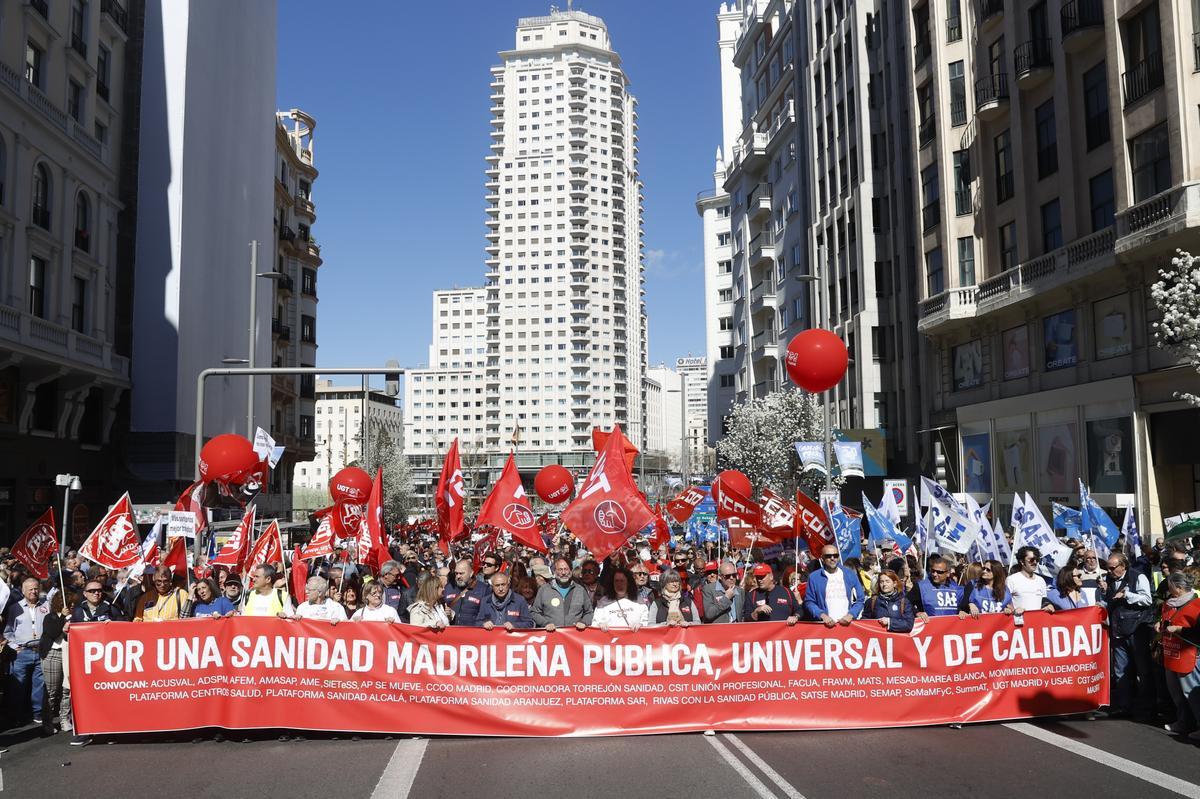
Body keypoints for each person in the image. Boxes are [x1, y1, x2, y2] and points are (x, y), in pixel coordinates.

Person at [1102, 552, 1156, 719]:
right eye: (1108, 568)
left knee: (1143, 670)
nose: (1110, 571)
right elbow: (1110, 601)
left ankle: (1147, 708)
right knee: (1120, 671)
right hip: (1118, 630)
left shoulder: (1138, 576)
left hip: (1136, 629)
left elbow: (1147, 600)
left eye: (1113, 568)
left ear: (1123, 566)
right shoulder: (1108, 579)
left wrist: (1127, 595)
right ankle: (1124, 706)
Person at [1159, 571, 1200, 738]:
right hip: (1170, 653)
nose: (1167, 589)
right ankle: (1183, 722)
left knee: (1191, 693)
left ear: (1179, 587)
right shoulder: (1169, 603)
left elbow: (1197, 633)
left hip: (1188, 655)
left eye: (1170, 586)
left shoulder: (1197, 605)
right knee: (1176, 692)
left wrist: (1178, 629)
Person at [3, 577, 47, 724]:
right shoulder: (15, 608)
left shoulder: (46, 605)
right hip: (22, 652)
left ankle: (37, 713)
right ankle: (18, 716)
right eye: (30, 589)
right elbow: (8, 631)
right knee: (18, 686)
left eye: (36, 588)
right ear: (23, 591)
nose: (34, 591)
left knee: (39, 684)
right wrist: (15, 647)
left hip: (41, 651)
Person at [803, 547, 864, 627]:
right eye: (828, 556)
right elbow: (809, 602)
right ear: (822, 558)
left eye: (835, 555)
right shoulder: (814, 577)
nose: (832, 558)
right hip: (825, 626)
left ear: (838, 557)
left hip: (848, 625)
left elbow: (860, 599)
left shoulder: (850, 574)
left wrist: (851, 615)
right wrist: (822, 615)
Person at [38, 588, 72, 733]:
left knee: (67, 689)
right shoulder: (50, 617)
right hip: (53, 654)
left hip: (70, 653)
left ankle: (64, 719)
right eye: (70, 603)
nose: (72, 606)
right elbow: (52, 632)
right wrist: (62, 618)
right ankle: (48, 721)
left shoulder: (75, 616)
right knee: (52, 690)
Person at [531, 557, 593, 631]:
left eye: (566, 569)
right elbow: (534, 612)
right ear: (554, 571)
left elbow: (589, 612)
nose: (563, 573)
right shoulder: (544, 590)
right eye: (560, 569)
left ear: (571, 570)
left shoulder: (580, 590)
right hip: (551, 635)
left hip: (574, 636)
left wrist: (584, 622)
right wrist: (545, 623)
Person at [591, 567, 649, 631]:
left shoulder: (638, 601)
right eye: (616, 581)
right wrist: (600, 624)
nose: (619, 584)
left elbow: (646, 621)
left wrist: (641, 625)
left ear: (628, 583)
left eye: (622, 581)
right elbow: (595, 623)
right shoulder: (603, 602)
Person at [1006, 546, 1054, 615]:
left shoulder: (1041, 580)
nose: (1035, 562)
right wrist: (1013, 610)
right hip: (1019, 622)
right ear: (1022, 561)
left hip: (1036, 623)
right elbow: (1005, 603)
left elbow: (1043, 599)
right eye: (1031, 560)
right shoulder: (1012, 579)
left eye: (1037, 560)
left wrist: (1048, 605)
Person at [444, 558, 487, 627]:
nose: (458, 576)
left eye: (461, 573)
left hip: (472, 633)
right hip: (451, 632)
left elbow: (486, 614)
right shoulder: (449, 587)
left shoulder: (483, 589)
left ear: (471, 573)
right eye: (456, 573)